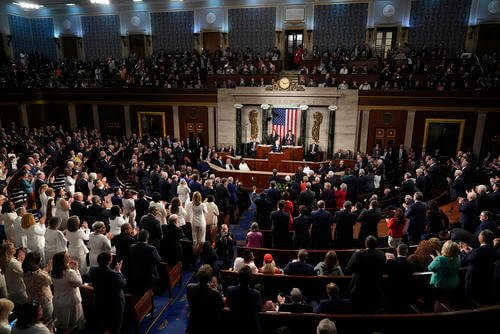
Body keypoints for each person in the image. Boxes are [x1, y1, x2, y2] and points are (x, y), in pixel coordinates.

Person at [344, 235, 386, 313]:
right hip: (375, 289)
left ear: (366, 244)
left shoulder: (358, 255)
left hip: (359, 290)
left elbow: (348, 269)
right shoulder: (382, 255)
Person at [89, 252, 127, 334]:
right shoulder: (114, 274)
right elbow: (123, 283)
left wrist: (115, 271)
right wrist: (119, 271)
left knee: (103, 321)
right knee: (116, 324)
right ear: (110, 261)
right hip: (114, 303)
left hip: (99, 299)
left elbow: (104, 277)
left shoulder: (92, 269)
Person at [51, 252, 85, 331]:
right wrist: (76, 270)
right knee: (72, 323)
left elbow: (64, 278)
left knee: (62, 321)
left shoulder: (54, 271)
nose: (70, 257)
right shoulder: (70, 273)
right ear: (64, 260)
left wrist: (68, 267)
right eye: (68, 256)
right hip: (70, 300)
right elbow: (79, 283)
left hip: (58, 299)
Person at [186, 264, 224, 334]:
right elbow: (221, 306)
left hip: (194, 323)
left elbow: (190, 301)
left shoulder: (189, 287)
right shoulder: (215, 293)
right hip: (209, 325)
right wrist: (215, 290)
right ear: (209, 279)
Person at [461, 229, 496, 304]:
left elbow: (466, 260)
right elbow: (478, 255)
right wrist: (471, 250)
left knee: (472, 298)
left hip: (474, 278)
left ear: (482, 238)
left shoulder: (479, 251)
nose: (478, 236)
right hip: (485, 276)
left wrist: (463, 251)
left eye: (480, 234)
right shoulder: (492, 248)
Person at [225, 266, 263, 334]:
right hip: (251, 327)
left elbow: (228, 303)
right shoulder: (256, 294)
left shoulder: (230, 290)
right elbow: (258, 308)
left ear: (238, 278)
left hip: (234, 325)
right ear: (251, 279)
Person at [428, 240, 461, 311]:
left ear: (445, 248)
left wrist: (435, 259)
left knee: (438, 301)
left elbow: (430, 268)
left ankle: (438, 315)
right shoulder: (458, 258)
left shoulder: (439, 259)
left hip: (440, 285)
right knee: (447, 300)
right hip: (453, 284)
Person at [384, 243, 416, 312]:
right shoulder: (412, 264)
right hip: (406, 294)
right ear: (407, 251)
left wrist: (388, 260)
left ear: (397, 251)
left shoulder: (390, 263)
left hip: (392, 293)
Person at [129, 230, 161, 295]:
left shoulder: (132, 247)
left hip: (136, 273)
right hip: (149, 275)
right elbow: (158, 260)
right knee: (149, 292)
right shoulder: (152, 249)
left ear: (138, 237)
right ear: (147, 238)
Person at [22, 252, 53, 320]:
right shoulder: (38, 274)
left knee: (35, 319)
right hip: (43, 300)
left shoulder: (25, 271)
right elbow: (49, 281)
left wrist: (46, 269)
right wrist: (49, 269)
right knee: (47, 319)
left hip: (31, 298)